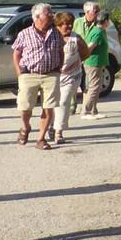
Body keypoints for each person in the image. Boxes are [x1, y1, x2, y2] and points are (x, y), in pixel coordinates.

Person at [11, 2, 63, 148]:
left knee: (48, 107)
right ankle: (25, 127)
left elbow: (61, 51)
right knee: (25, 107)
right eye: (48, 13)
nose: (52, 16)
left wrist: (59, 68)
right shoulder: (24, 34)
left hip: (51, 74)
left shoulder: (56, 33)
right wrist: (19, 73)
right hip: (29, 74)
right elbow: (16, 53)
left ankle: (41, 139)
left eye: (51, 13)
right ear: (37, 17)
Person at [50, 11, 88, 146]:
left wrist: (74, 64)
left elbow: (86, 53)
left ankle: (58, 132)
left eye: (70, 24)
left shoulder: (76, 39)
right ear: (58, 25)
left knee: (63, 102)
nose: (69, 26)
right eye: (65, 24)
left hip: (72, 76)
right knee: (51, 103)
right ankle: (52, 125)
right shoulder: (52, 37)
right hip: (54, 75)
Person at [78, 1, 111, 118]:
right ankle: (85, 111)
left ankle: (93, 111)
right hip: (93, 63)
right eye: (108, 20)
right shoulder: (97, 32)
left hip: (99, 63)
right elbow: (89, 48)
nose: (109, 23)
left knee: (97, 87)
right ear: (105, 21)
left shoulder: (101, 31)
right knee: (94, 87)